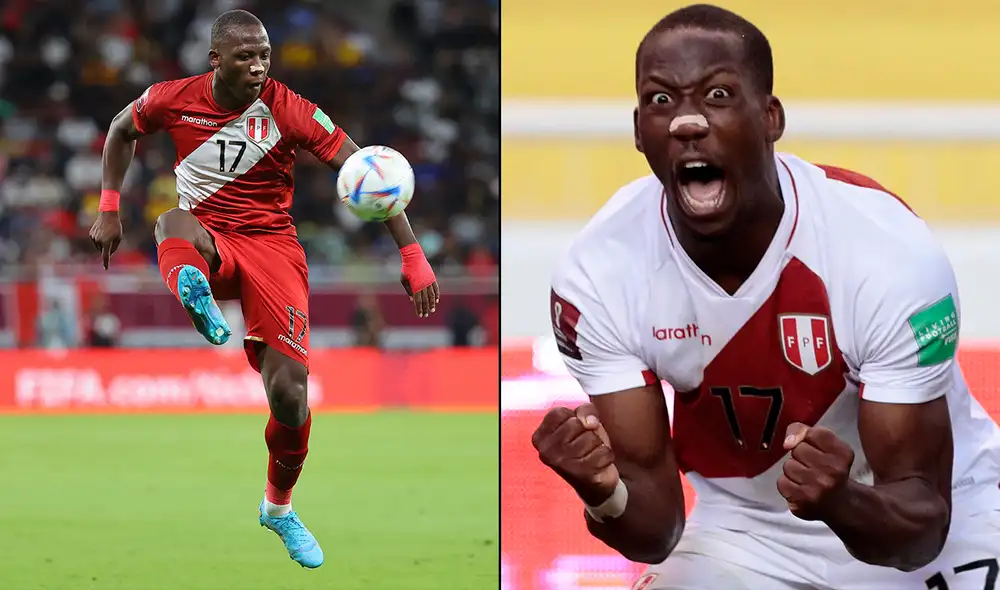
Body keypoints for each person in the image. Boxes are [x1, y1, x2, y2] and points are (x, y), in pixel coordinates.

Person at [532, 4, 1000, 589]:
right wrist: (601, 490)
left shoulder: (884, 253)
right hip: (745, 533)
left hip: (925, 519)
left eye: (719, 95)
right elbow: (656, 531)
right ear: (637, 131)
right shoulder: (595, 275)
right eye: (661, 101)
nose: (686, 123)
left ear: (771, 117)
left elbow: (922, 527)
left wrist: (840, 501)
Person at [88, 9, 440, 569]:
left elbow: (365, 168)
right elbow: (120, 129)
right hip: (210, 236)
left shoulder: (288, 108)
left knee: (291, 397)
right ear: (216, 61)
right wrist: (109, 208)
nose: (258, 67)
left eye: (264, 56)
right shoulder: (171, 98)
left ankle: (278, 509)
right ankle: (194, 292)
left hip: (273, 248)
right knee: (169, 223)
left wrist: (411, 251)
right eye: (245, 57)